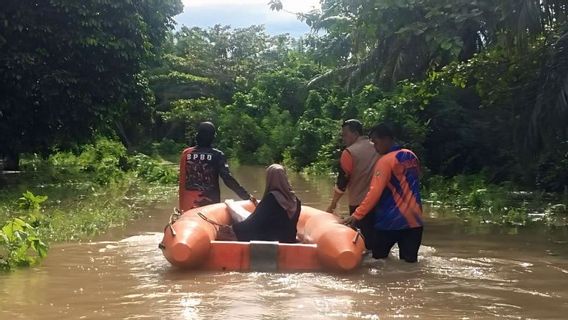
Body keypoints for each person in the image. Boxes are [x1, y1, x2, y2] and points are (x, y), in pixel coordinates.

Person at [342, 123, 423, 263]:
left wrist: (356, 215)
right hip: (415, 221)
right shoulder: (411, 155)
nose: (374, 146)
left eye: (376, 141)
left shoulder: (385, 161)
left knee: (377, 263)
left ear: (386, 139)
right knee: (410, 265)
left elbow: (374, 192)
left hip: (390, 221)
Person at [178, 121, 255, 211]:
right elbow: (227, 179)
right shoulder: (217, 155)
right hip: (209, 205)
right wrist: (246, 196)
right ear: (213, 137)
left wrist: (181, 209)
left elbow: (182, 183)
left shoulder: (186, 154)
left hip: (187, 206)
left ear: (197, 136)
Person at [326, 119, 379, 250]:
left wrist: (332, 206)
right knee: (377, 245)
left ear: (355, 133)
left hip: (359, 204)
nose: (343, 138)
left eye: (345, 134)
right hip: (380, 203)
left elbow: (342, 183)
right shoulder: (378, 147)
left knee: (363, 245)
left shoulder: (349, 152)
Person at [227, 164, 301, 243]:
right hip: (289, 238)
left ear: (269, 179)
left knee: (234, 231)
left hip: (271, 239)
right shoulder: (295, 200)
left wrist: (234, 228)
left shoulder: (271, 199)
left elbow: (253, 222)